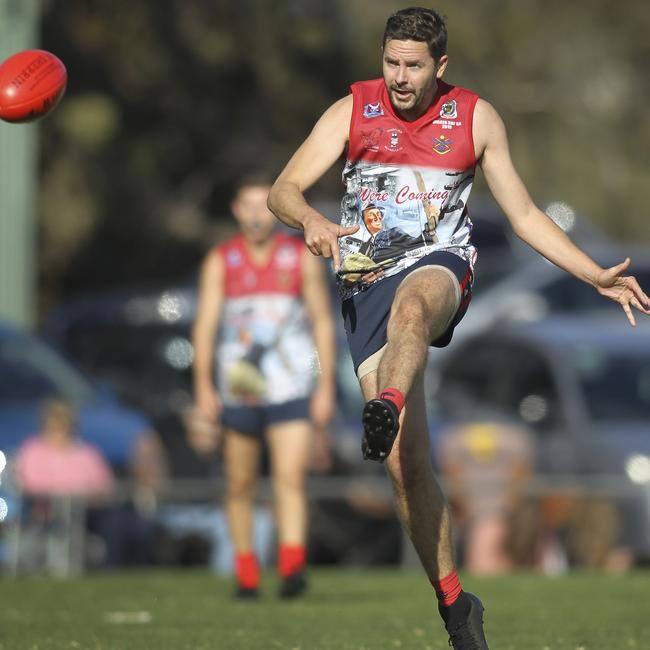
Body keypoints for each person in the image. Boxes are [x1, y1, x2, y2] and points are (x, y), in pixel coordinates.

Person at [267, 6, 650, 648]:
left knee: (413, 309)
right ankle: (455, 605)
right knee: (403, 465)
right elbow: (284, 187)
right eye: (391, 62)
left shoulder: (474, 118)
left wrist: (592, 274)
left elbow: (523, 214)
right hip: (365, 281)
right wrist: (306, 218)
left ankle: (385, 404)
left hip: (440, 266)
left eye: (413, 65)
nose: (399, 76)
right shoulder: (352, 110)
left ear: (440, 66)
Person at [192, 172, 336, 599]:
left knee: (290, 476)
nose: (257, 215)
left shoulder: (299, 258)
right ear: (236, 211)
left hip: (290, 386)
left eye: (264, 205)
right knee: (240, 483)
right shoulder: (222, 260)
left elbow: (322, 321)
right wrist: (203, 386)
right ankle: (246, 571)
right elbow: (205, 326)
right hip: (239, 387)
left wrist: (326, 385)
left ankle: (292, 567)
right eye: (248, 206)